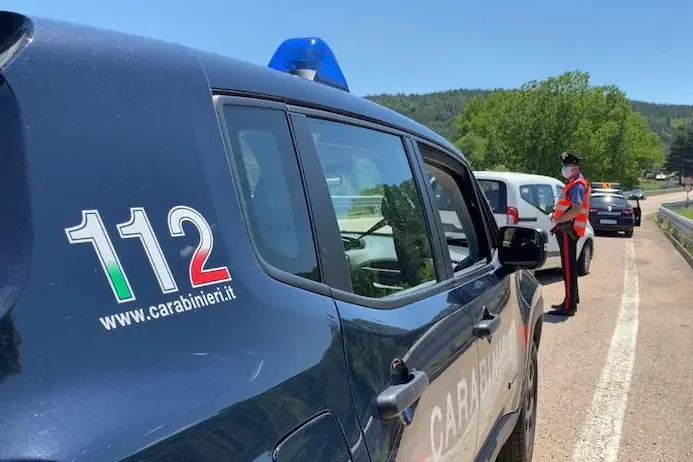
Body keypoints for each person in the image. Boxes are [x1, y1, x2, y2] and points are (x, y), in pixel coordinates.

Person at [548, 152, 591, 316]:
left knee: (568, 268)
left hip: (568, 230)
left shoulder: (577, 185)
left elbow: (576, 209)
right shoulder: (575, 183)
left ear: (576, 167)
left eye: (567, 166)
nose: (564, 169)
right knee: (570, 266)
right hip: (569, 229)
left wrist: (558, 220)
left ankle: (569, 306)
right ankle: (572, 299)